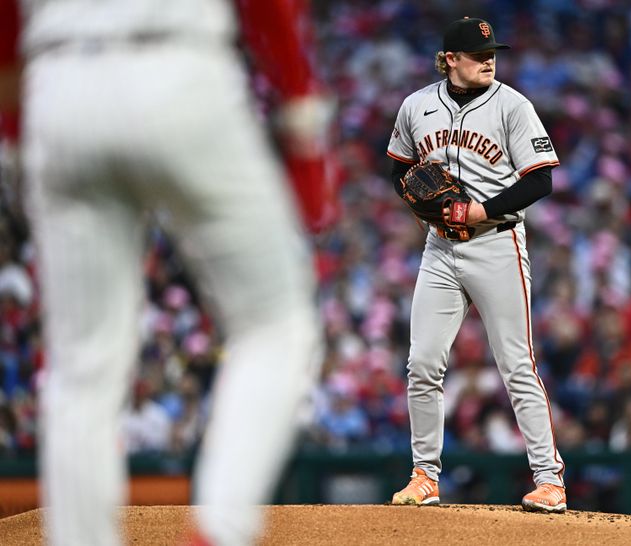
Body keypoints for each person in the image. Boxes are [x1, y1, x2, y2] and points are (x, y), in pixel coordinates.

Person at [0, 0, 335, 545]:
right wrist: (300, 111)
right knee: (276, 325)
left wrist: (16, 128)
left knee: (80, 366)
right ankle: (218, 529)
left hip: (56, 85)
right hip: (180, 66)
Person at [386, 17, 566, 512]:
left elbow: (540, 182)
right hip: (440, 249)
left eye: (492, 52)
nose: (489, 59)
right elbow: (398, 167)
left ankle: (550, 479)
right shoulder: (416, 106)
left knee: (517, 366)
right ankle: (425, 474)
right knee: (422, 363)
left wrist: (481, 209)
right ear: (449, 60)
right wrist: (416, 201)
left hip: (496, 244)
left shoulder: (512, 106)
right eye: (476, 53)